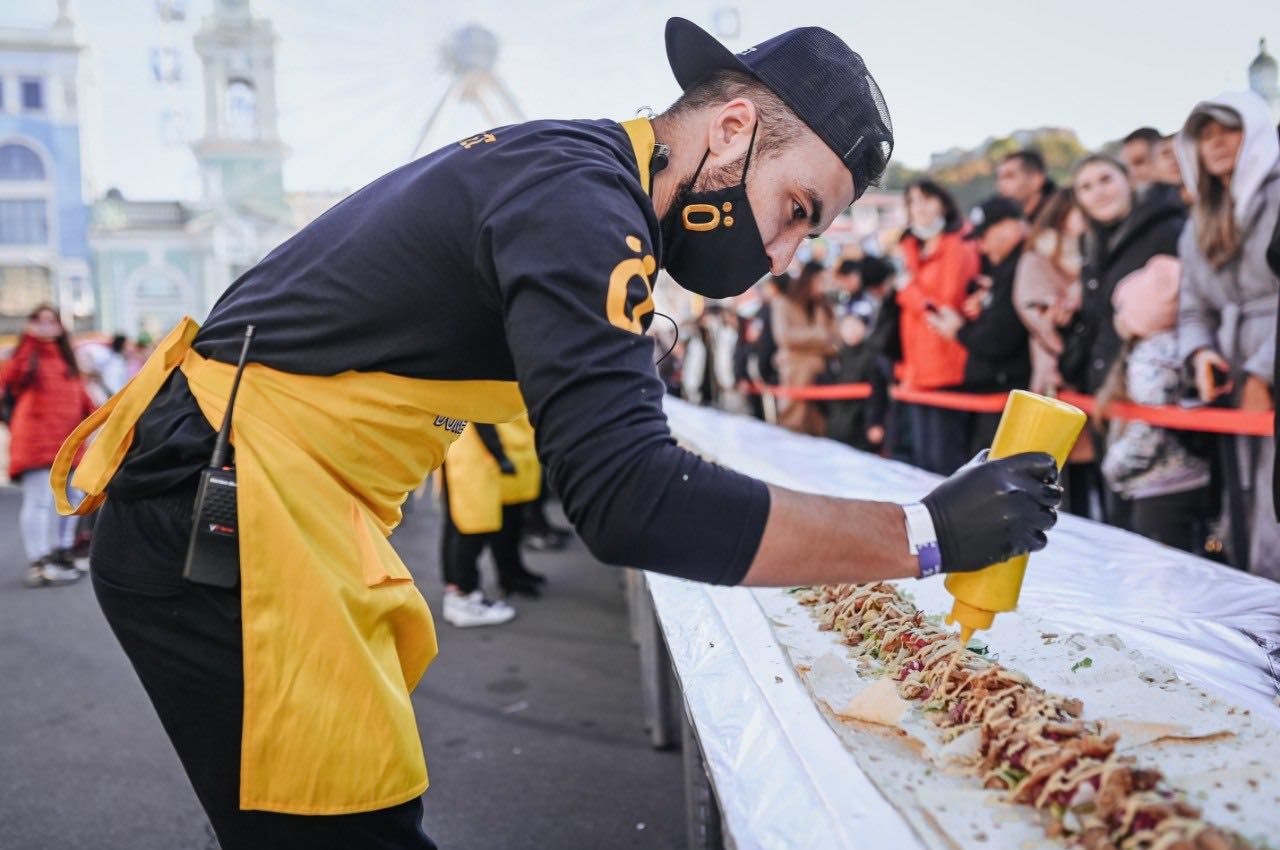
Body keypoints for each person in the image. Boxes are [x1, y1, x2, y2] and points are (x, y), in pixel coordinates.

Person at [50, 18, 1062, 849]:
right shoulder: (583, 204)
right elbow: (629, 498)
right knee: (340, 827)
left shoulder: (573, 173)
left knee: (357, 812)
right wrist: (925, 534)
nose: (789, 254)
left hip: (263, 503)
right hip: (225, 516)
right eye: (797, 208)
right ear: (731, 129)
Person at [1175, 91, 1280, 580]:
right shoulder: (1199, 221)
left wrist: (1264, 371)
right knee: (1238, 491)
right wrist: (1199, 353)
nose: (1215, 143)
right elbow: (1192, 305)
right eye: (1205, 134)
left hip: (1265, 356)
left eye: (1228, 130)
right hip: (1228, 368)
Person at [1098, 257, 1210, 552]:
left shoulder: (1150, 357)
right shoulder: (1185, 346)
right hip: (1192, 478)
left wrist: (1115, 466)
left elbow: (1149, 428)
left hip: (1156, 485)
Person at [927, 196, 1031, 451]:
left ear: (1009, 226)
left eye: (984, 237)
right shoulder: (1004, 269)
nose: (981, 248)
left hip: (1007, 396)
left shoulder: (1021, 266)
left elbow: (999, 339)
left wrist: (958, 331)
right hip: (995, 393)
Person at [3, 305, 95, 587]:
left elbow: (85, 401)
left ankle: (60, 552)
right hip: (35, 442)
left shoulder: (68, 361)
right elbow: (8, 378)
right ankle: (38, 560)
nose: (46, 327)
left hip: (67, 444)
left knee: (73, 499)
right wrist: (29, 340)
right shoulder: (25, 356)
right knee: (40, 500)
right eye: (39, 321)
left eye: (51, 321)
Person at [897, 179, 981, 474]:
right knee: (922, 464)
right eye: (912, 201)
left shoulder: (960, 244)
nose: (918, 208)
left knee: (945, 464)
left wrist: (910, 294)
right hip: (917, 365)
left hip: (947, 363)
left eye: (925, 200)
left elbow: (945, 303)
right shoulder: (909, 247)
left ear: (943, 203)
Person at [440, 415, 545, 627]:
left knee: (492, 520)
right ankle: (463, 596)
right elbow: (475, 404)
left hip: (485, 444)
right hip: (476, 448)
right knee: (468, 525)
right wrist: (498, 451)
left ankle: (478, 588)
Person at [772, 260, 838, 435]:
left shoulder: (824, 306)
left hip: (819, 375)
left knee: (819, 430)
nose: (823, 286)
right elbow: (785, 337)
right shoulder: (784, 302)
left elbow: (835, 342)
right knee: (792, 428)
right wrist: (820, 338)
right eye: (820, 280)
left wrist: (810, 342)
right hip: (795, 375)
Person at [996, 149, 1057, 222]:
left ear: (1036, 179)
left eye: (1009, 176)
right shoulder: (1006, 218)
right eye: (1000, 178)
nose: (1001, 184)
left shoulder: (1061, 217)